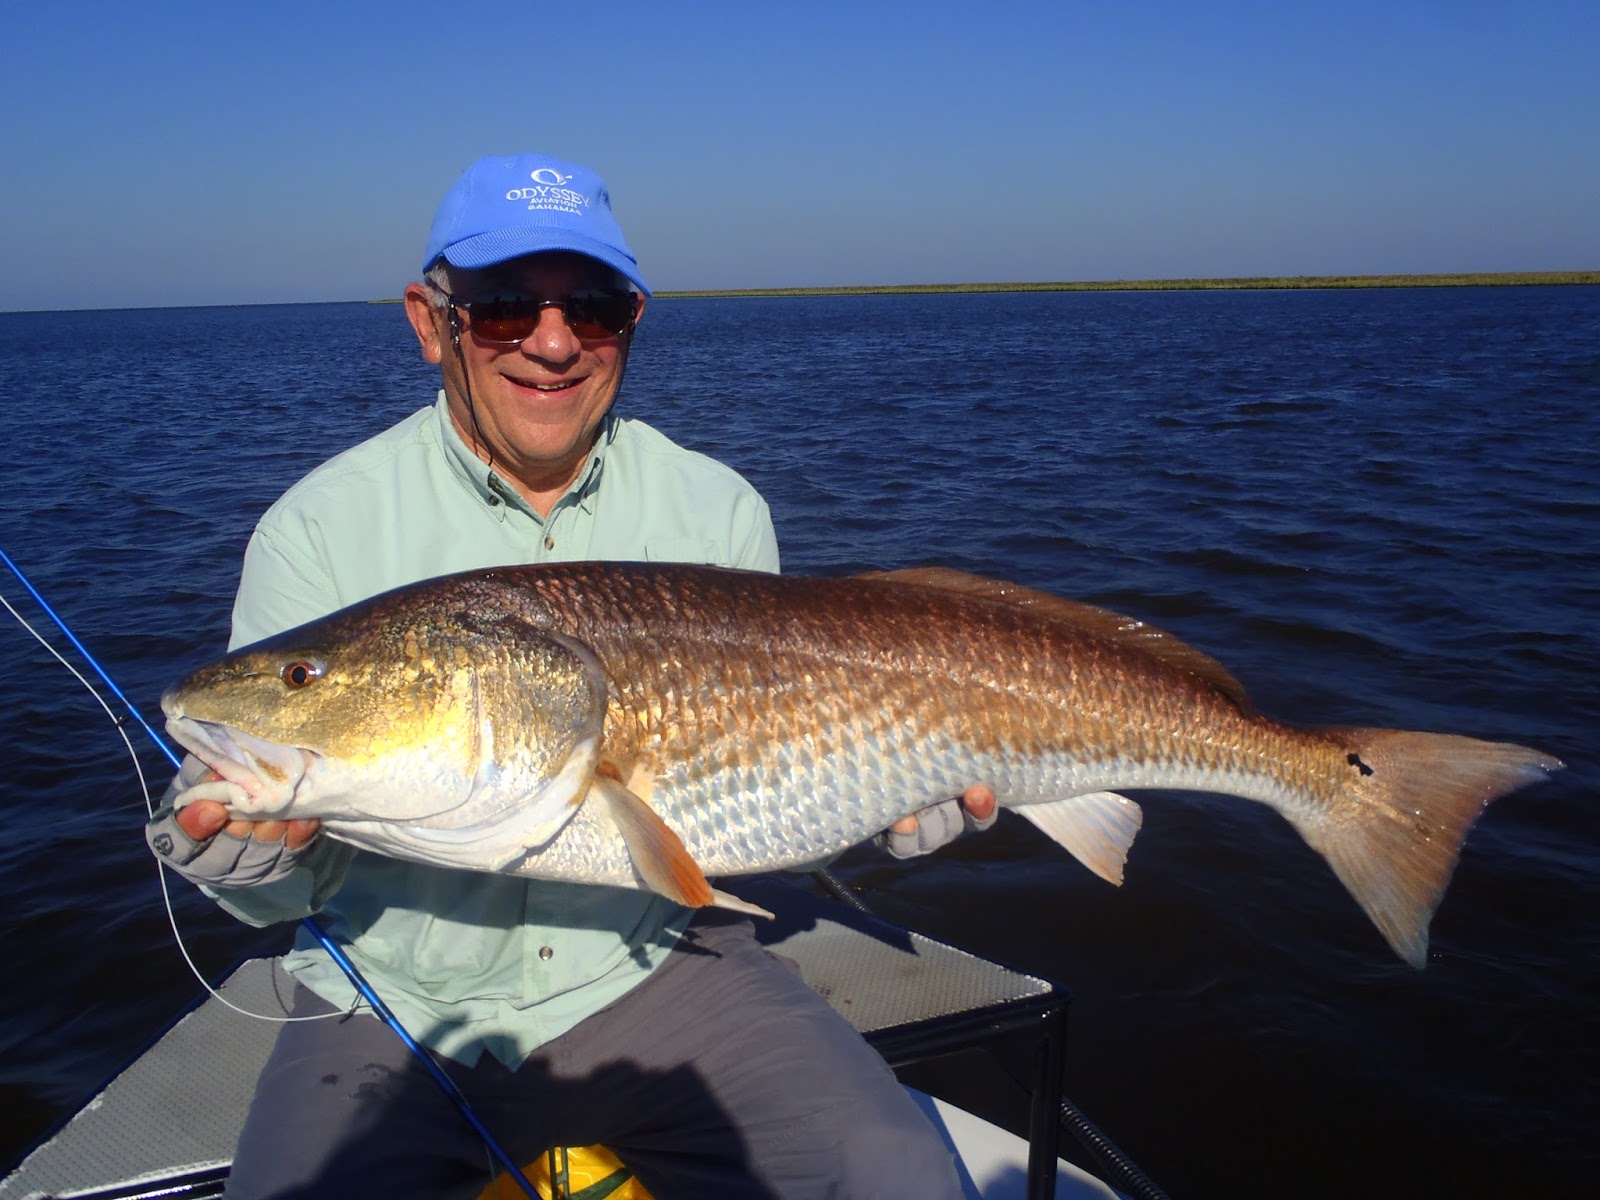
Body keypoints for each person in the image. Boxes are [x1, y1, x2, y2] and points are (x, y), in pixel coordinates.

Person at [146, 153, 996, 1200]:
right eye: (504, 307)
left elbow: (761, 798)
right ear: (430, 321)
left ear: (631, 320)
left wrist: (892, 796)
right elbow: (280, 868)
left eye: (590, 308)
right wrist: (249, 863)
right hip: (394, 997)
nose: (551, 343)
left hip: (655, 963)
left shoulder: (716, 508)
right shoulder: (318, 530)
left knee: (894, 1174)